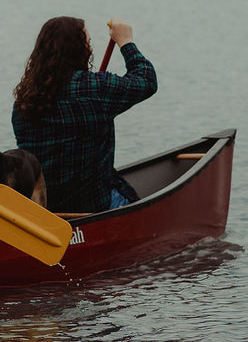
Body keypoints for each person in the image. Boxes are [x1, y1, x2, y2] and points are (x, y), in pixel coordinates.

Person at [11, 16, 157, 214]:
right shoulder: (94, 89)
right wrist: (125, 41)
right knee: (135, 204)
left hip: (45, 211)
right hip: (93, 206)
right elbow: (146, 80)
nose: (90, 49)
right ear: (78, 50)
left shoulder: (23, 101)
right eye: (88, 43)